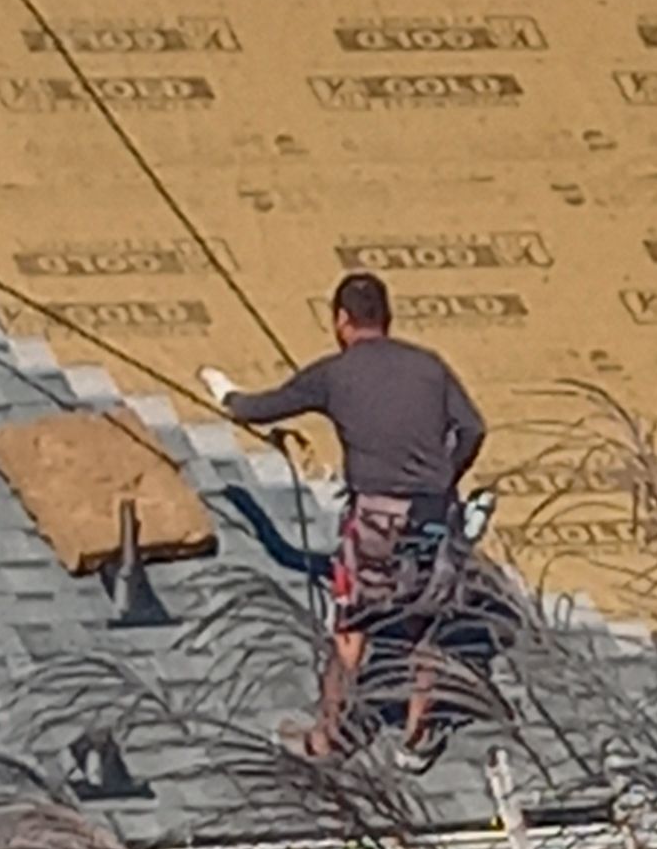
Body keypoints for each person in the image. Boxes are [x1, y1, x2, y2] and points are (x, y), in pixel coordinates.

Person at [207, 275, 487, 755]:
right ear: (387, 315)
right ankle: (418, 735)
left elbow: (259, 408)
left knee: (351, 627)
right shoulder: (429, 367)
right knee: (425, 621)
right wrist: (444, 478)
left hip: (377, 517)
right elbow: (474, 429)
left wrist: (226, 396)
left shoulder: (335, 374)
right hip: (436, 515)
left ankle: (328, 736)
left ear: (340, 320)